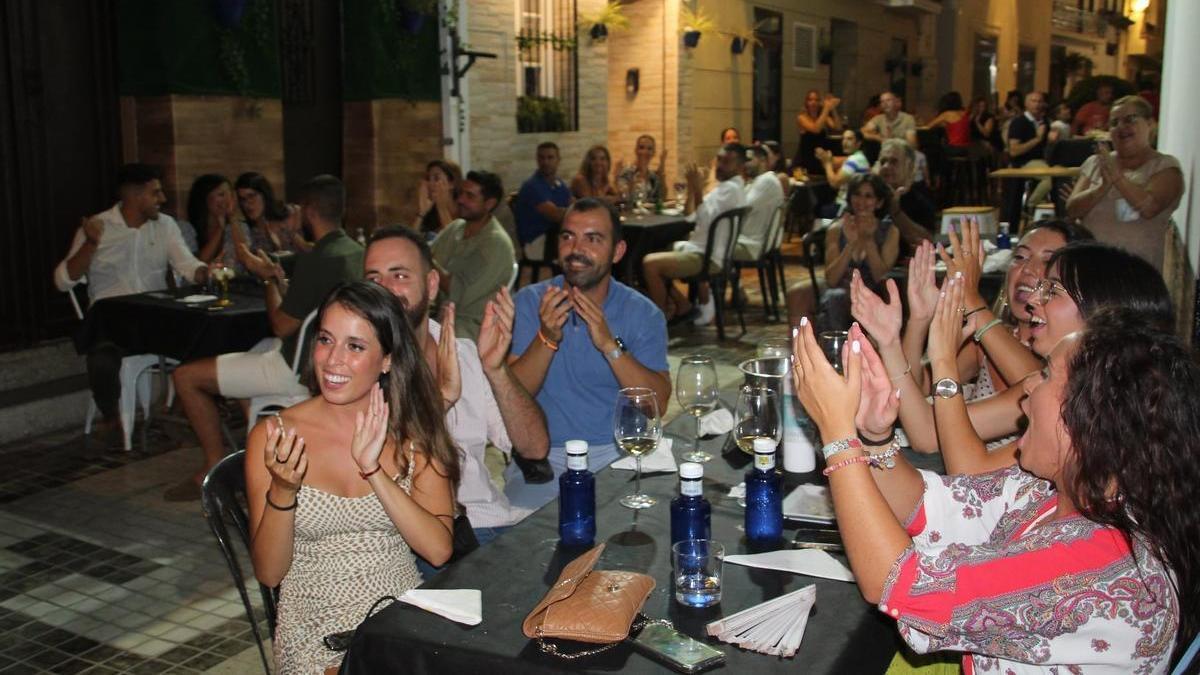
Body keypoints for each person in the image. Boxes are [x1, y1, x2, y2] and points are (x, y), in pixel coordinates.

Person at [790, 302, 1195, 674]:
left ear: (1092, 419)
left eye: (1047, 375)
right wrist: (875, 436)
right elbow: (925, 504)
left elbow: (897, 584)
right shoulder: (1053, 491)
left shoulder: (1099, 565)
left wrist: (838, 436)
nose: (1028, 390)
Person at [246, 281, 459, 675]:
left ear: (387, 360)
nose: (332, 360)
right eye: (326, 340)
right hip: (313, 631)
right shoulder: (275, 436)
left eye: (355, 346)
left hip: (399, 620)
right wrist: (283, 490)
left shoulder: (415, 434)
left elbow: (438, 550)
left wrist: (374, 470)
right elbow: (269, 573)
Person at [856, 237, 1172, 468]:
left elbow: (966, 468)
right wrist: (901, 334)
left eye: (1052, 288)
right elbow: (924, 418)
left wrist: (957, 326)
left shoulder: (1097, 407)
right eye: (1020, 257)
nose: (1035, 295)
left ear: (1102, 307)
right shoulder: (1049, 381)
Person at [170, 175, 364, 501]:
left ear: (308, 211)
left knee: (185, 376)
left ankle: (213, 466)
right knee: (248, 349)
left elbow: (281, 326)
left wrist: (266, 281)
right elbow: (306, 307)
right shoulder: (355, 251)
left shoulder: (319, 259)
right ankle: (263, 449)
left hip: (295, 367)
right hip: (327, 356)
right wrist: (277, 275)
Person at [365, 226, 548, 546]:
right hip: (414, 539)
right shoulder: (357, 368)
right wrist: (442, 400)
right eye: (374, 279)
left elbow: (534, 448)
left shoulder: (463, 354)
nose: (386, 290)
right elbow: (392, 474)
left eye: (400, 276)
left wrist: (497, 369)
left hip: (488, 523)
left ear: (432, 284)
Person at [505, 198, 670, 510]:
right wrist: (546, 338)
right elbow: (511, 398)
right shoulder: (529, 303)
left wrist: (609, 345)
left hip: (617, 455)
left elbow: (657, 404)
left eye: (592, 239)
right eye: (568, 236)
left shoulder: (642, 313)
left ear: (617, 252)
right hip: (543, 461)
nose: (576, 249)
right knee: (517, 547)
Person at [54, 163, 210, 446]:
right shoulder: (99, 227)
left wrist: (205, 272)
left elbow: (187, 265)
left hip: (153, 316)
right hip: (111, 320)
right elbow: (63, 281)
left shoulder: (165, 226)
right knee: (101, 357)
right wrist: (90, 243)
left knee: (203, 336)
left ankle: (177, 409)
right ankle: (111, 416)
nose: (162, 199)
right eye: (156, 193)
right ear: (134, 195)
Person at [1065, 95, 1184, 273]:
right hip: (1090, 269)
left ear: (1150, 124)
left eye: (1130, 119)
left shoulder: (1166, 167)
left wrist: (1117, 177)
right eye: (1114, 122)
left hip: (1138, 275)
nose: (1121, 127)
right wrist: (1101, 188)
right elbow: (1072, 210)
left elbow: (1149, 207)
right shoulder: (1096, 163)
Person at [642, 143, 748, 323]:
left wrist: (698, 188)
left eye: (727, 162)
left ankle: (656, 324)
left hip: (707, 256)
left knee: (649, 264)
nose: (720, 166)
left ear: (739, 166)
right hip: (701, 250)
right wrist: (692, 188)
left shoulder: (731, 190)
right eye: (719, 160)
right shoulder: (725, 187)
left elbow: (703, 219)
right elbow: (690, 216)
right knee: (653, 251)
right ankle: (683, 306)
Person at [429, 170, 516, 341]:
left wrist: (424, 260)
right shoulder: (457, 228)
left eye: (470, 196)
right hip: (441, 317)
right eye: (461, 193)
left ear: (489, 203)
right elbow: (430, 255)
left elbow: (456, 292)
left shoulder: (496, 244)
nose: (461, 200)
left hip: (471, 328)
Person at [815, 173, 898, 331]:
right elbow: (832, 279)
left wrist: (868, 241)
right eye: (857, 195)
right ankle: (835, 350)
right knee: (834, 297)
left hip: (873, 292)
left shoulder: (890, 232)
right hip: (840, 291)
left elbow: (881, 277)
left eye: (868, 196)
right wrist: (851, 244)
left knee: (840, 299)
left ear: (879, 202)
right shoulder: (836, 229)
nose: (861, 201)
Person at [515, 142, 572, 266]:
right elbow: (556, 215)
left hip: (553, 238)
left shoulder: (559, 184)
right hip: (536, 242)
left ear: (558, 160)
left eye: (550, 158)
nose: (545, 162)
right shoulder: (532, 186)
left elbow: (572, 203)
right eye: (541, 158)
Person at [872, 138, 935, 249]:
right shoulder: (867, 196)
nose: (886, 166)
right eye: (883, 162)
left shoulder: (921, 198)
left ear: (909, 167)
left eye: (893, 161)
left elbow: (927, 242)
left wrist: (896, 212)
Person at [186, 174, 252, 275]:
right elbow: (198, 264)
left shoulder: (237, 227)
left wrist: (232, 217)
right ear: (205, 198)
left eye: (230, 194)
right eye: (221, 194)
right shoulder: (188, 228)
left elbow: (245, 256)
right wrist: (220, 229)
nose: (227, 200)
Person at [733, 144, 786, 263]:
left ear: (762, 160)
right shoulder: (755, 181)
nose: (745, 164)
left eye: (749, 160)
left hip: (752, 245)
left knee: (710, 246)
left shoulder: (767, 180)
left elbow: (741, 208)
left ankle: (717, 281)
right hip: (746, 241)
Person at [1005, 90, 1051, 222]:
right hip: (1024, 162)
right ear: (1026, 104)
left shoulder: (1044, 123)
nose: (1037, 104)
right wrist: (1037, 139)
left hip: (1042, 160)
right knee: (1050, 178)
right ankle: (1030, 206)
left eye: (1040, 101)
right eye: (1033, 101)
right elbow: (1014, 151)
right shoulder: (1019, 122)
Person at [236, 172, 309, 255]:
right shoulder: (248, 231)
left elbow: (308, 249)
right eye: (243, 199)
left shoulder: (291, 214)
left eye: (251, 196)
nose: (247, 204)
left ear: (264, 194)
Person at [815, 128, 870, 213]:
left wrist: (827, 164)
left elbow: (834, 183)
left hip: (845, 207)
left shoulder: (854, 160)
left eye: (849, 139)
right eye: (843, 139)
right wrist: (825, 159)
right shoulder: (860, 157)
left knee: (813, 208)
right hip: (849, 205)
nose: (845, 142)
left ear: (858, 143)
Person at [794, 89, 844, 174]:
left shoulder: (823, 116)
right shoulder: (802, 118)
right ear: (806, 102)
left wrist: (833, 109)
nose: (813, 102)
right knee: (843, 163)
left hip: (822, 156)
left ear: (819, 102)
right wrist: (826, 108)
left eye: (816, 100)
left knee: (848, 160)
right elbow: (816, 129)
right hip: (809, 159)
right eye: (810, 100)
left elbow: (838, 127)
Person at [412, 159, 462, 238]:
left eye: (436, 178)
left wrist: (441, 207)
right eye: (428, 179)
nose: (431, 183)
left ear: (452, 183)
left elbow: (455, 242)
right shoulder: (431, 213)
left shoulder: (465, 212)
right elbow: (411, 243)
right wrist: (421, 213)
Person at [615, 134, 667, 204]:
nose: (645, 151)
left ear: (653, 153)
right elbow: (622, 198)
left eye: (649, 149)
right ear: (636, 150)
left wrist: (662, 169)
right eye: (641, 147)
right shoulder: (626, 173)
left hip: (650, 214)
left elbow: (661, 198)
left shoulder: (654, 177)